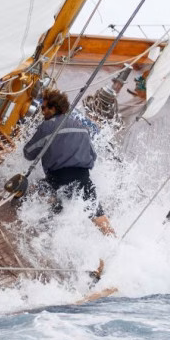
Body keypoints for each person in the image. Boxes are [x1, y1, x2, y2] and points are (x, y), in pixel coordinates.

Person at [22, 88, 114, 235]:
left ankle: (46, 230)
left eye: (44, 108)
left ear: (53, 108)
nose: (42, 111)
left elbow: (28, 153)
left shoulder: (47, 126)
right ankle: (115, 242)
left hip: (57, 179)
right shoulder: (82, 127)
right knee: (97, 215)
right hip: (83, 178)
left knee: (31, 192)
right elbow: (93, 156)